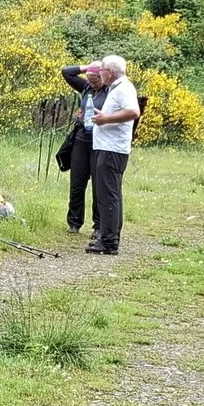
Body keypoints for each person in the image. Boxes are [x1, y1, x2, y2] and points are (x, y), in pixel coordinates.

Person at [88, 54, 139, 256]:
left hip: (112, 149)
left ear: (109, 72)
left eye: (101, 70)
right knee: (110, 193)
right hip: (108, 147)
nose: (99, 73)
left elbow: (134, 112)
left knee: (108, 195)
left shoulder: (124, 88)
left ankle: (109, 242)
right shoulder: (116, 88)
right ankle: (110, 236)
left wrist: (106, 118)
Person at [61, 61, 107, 236]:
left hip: (100, 141)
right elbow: (67, 72)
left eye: (95, 80)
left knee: (98, 184)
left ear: (103, 76)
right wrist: (89, 68)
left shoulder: (110, 91)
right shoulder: (86, 87)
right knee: (77, 183)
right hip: (81, 139)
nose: (92, 83)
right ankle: (74, 223)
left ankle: (99, 225)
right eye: (90, 80)